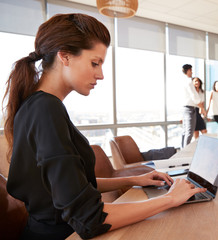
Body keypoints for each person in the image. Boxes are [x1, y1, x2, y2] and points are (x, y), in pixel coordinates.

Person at [3, 13, 206, 240]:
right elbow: (89, 218)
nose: (100, 74)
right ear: (65, 56)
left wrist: (133, 180)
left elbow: (71, 188)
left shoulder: (35, 105)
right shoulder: (46, 110)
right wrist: (169, 199)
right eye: (94, 63)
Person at [181, 64, 202, 148]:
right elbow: (194, 96)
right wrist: (201, 107)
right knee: (189, 132)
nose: (192, 72)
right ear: (188, 70)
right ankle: (185, 152)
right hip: (190, 108)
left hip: (184, 108)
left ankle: (182, 150)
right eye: (191, 70)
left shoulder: (182, 81)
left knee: (185, 131)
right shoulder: (189, 81)